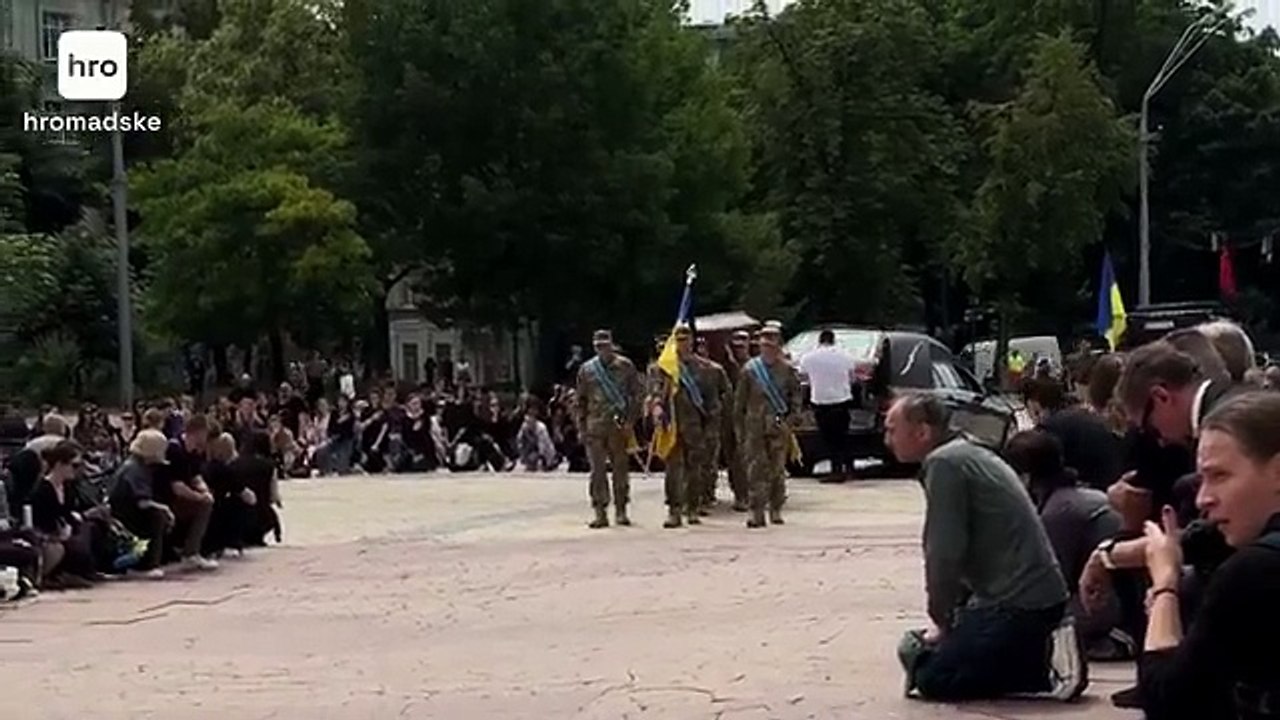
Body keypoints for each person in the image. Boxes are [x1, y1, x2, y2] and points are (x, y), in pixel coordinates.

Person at [886, 394, 1085, 702]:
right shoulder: (965, 452)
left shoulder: (945, 463)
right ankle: (1026, 651)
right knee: (926, 650)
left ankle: (1046, 663)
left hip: (1021, 606)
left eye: (892, 430)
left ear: (922, 432)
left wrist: (941, 620)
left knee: (933, 675)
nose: (888, 440)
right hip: (1020, 599)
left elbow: (943, 552)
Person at [1136, 391, 1280, 719]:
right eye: (1201, 480)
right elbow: (1199, 539)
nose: (1203, 498)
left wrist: (1164, 590)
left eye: (1219, 476)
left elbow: (1168, 702)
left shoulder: (1256, 570)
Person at [1004, 430, 1132, 660]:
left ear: (1024, 477)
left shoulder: (1059, 512)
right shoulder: (1079, 496)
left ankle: (1110, 640)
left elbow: (1048, 582)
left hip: (1112, 604)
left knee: (1020, 623)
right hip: (1117, 595)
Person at [650, 324, 719, 528]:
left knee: (695, 470)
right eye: (678, 340)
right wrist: (656, 406)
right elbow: (655, 390)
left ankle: (693, 508)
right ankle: (674, 511)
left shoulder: (706, 369)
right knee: (672, 470)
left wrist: (711, 428)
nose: (682, 344)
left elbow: (712, 402)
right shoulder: (664, 368)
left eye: (685, 340)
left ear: (692, 341)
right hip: (671, 425)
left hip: (695, 427)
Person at [734, 321, 801, 528]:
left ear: (778, 345)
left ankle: (776, 508)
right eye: (764, 343)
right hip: (754, 426)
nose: (767, 347)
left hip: (778, 423)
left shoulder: (788, 370)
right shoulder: (750, 370)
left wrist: (789, 422)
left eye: (771, 343)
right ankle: (756, 512)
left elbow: (796, 399)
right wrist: (739, 431)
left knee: (777, 470)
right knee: (755, 470)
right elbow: (740, 403)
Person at [575, 329, 644, 528]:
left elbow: (637, 394)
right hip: (595, 426)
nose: (601, 349)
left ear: (611, 345)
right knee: (597, 471)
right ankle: (600, 511)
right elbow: (580, 400)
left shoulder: (625, 366)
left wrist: (631, 420)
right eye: (598, 346)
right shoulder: (587, 370)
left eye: (605, 345)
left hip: (618, 426)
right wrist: (581, 427)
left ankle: (621, 509)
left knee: (620, 469)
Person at [798, 328, 858, 483]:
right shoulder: (845, 356)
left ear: (820, 340)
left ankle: (836, 471)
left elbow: (803, 377)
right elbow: (853, 377)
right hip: (842, 400)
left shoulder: (809, 357)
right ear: (833, 340)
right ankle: (849, 469)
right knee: (843, 437)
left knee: (829, 439)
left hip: (821, 402)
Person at [695, 336, 731, 511]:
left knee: (710, 460)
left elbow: (726, 392)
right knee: (693, 461)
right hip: (691, 421)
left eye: (703, 347)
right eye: (698, 347)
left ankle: (708, 494)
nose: (701, 350)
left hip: (711, 420)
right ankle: (695, 496)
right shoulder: (684, 370)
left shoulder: (716, 370)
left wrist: (719, 411)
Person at [721, 330, 752, 510]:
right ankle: (740, 494)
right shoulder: (723, 368)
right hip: (729, 417)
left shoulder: (754, 367)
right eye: (735, 345)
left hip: (750, 417)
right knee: (733, 458)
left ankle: (750, 494)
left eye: (742, 344)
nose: (739, 348)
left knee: (748, 457)